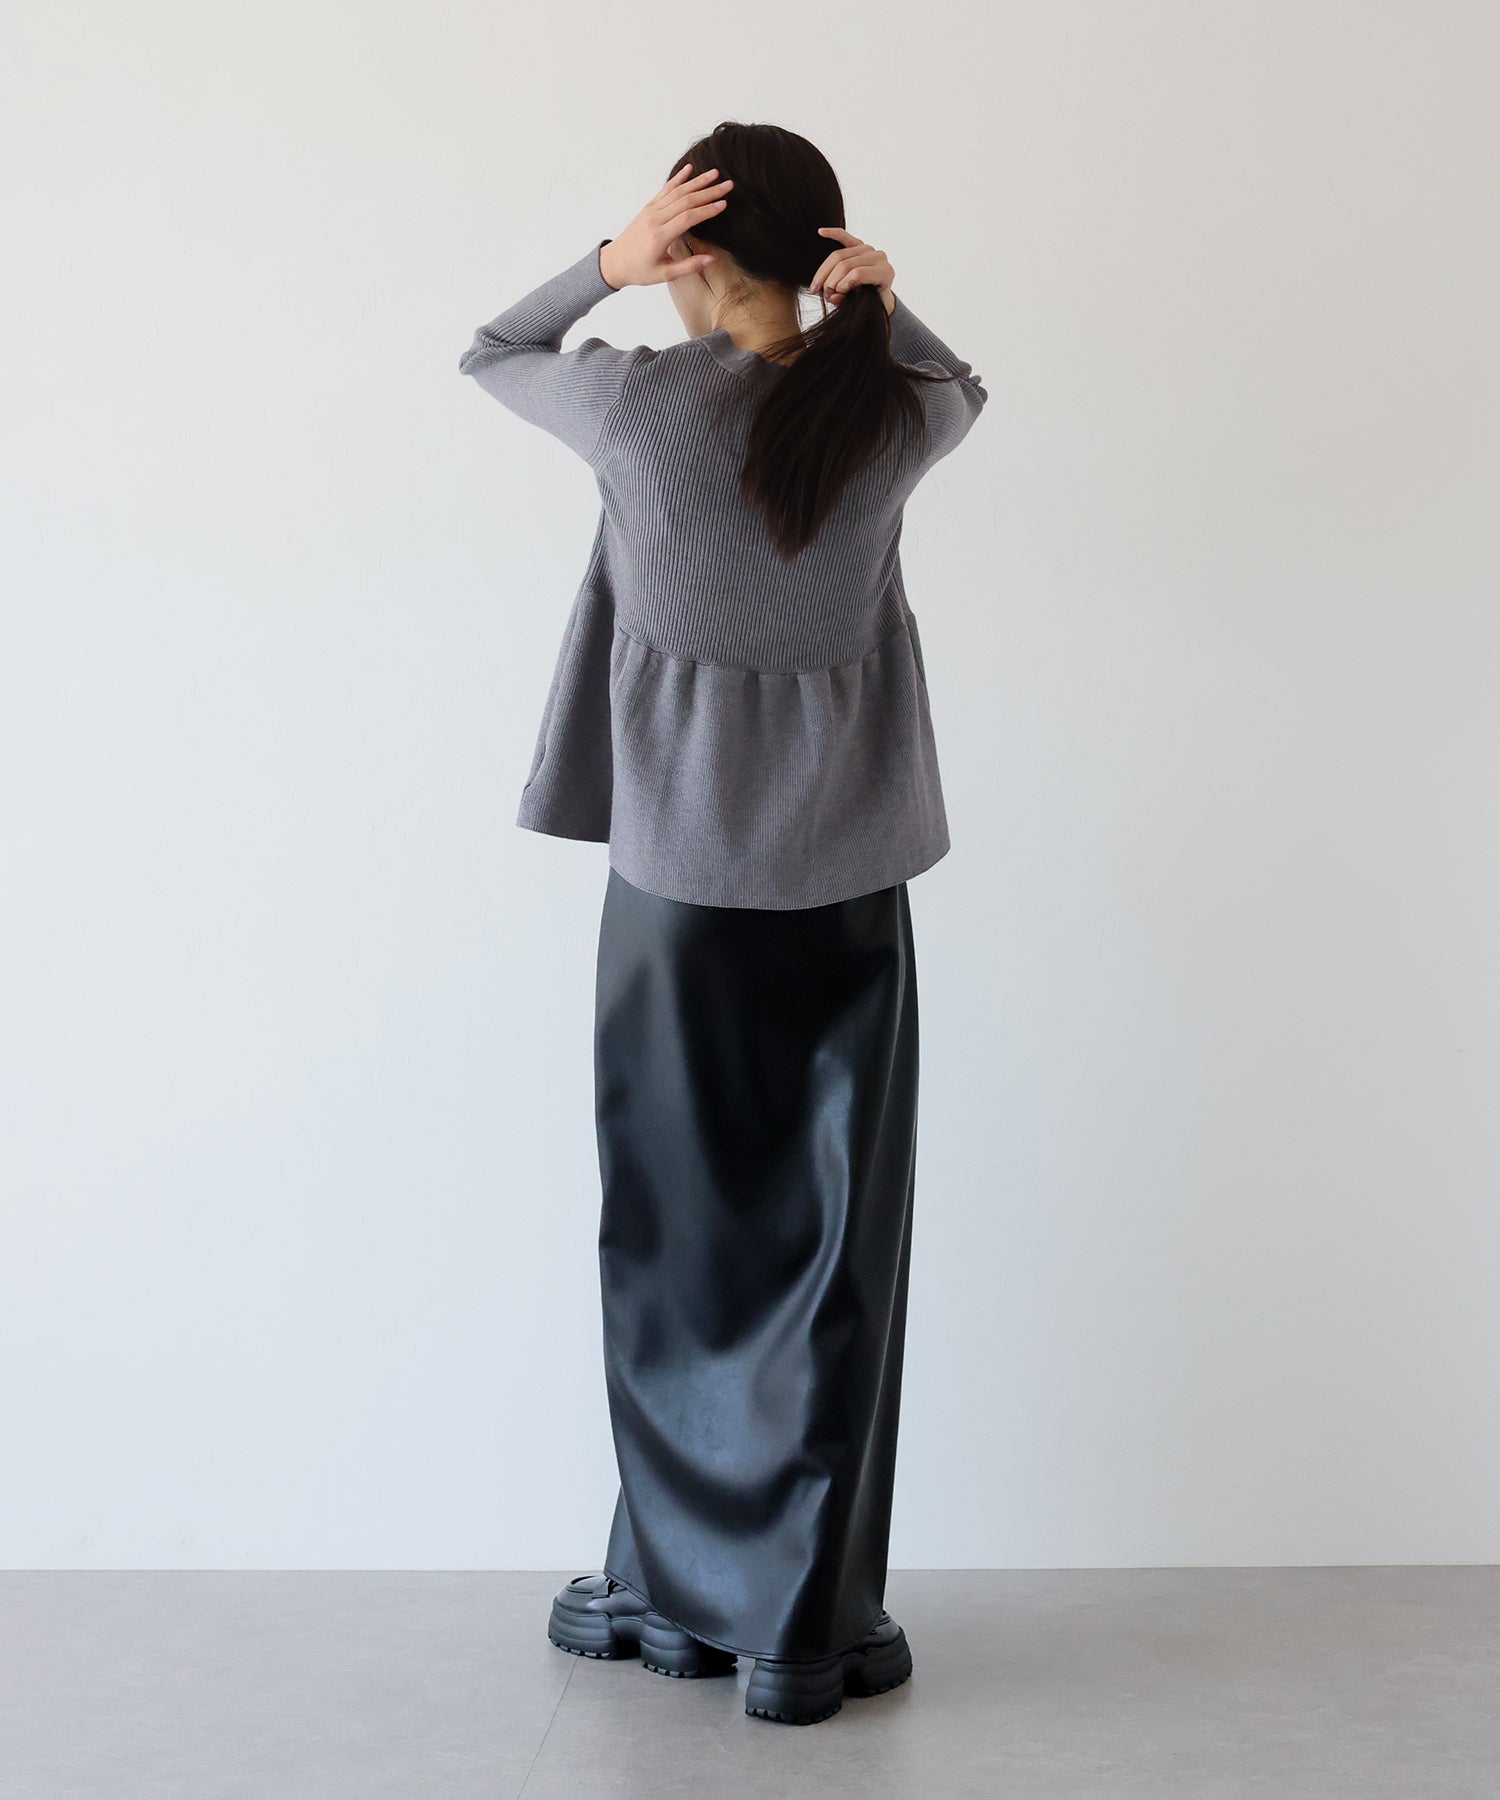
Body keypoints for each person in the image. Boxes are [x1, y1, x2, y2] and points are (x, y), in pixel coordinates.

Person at [459, 120, 986, 1726]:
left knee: (677, 1251)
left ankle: (673, 1596)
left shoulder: (636, 405)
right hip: (850, 896)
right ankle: (801, 1627)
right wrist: (875, 304)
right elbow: (965, 391)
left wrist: (606, 264)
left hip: (680, 897)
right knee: (834, 1256)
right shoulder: (886, 409)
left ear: (692, 249)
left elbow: (493, 350)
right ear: (823, 252)